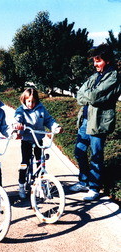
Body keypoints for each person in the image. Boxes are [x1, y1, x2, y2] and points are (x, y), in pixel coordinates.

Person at [70, 44, 120, 201]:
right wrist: (90, 95)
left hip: (99, 122)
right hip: (85, 119)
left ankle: (94, 187)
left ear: (107, 60)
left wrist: (90, 96)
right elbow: (80, 95)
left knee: (96, 155)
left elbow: (92, 97)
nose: (95, 64)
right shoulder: (94, 76)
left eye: (98, 61)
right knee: (79, 151)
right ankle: (84, 181)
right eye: (94, 61)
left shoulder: (113, 76)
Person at [14, 88, 63, 199]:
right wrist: (17, 125)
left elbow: (48, 120)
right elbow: (17, 118)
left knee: (40, 161)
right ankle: (21, 185)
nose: (31, 104)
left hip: (38, 139)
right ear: (24, 100)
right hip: (26, 139)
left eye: (33, 101)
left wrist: (56, 127)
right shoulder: (21, 110)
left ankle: (40, 183)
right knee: (24, 163)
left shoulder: (41, 109)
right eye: (28, 101)